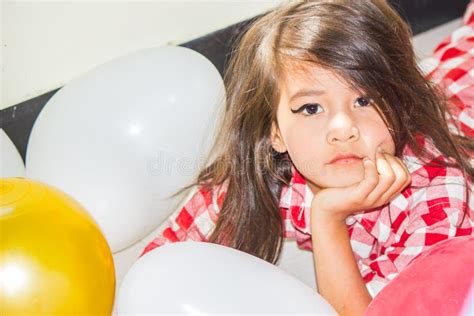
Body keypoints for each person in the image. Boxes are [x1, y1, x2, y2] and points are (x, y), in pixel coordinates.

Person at [141, 0, 474, 314]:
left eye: (365, 100)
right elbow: (158, 266)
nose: (343, 129)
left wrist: (327, 219)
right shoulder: (266, 171)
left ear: (402, 105)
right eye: (311, 108)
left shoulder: (437, 195)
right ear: (274, 132)